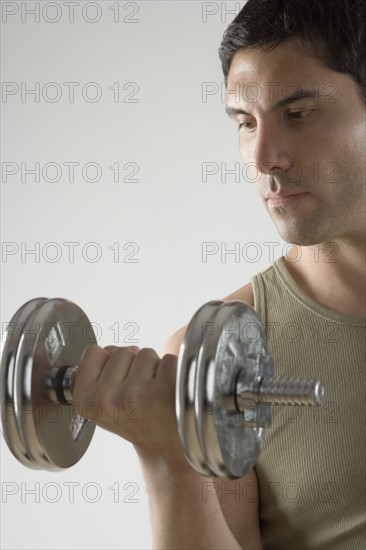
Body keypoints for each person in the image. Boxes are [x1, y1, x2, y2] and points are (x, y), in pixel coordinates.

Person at [73, 0, 366, 547]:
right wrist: (171, 461)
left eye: (297, 114)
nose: (263, 157)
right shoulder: (215, 360)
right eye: (246, 123)